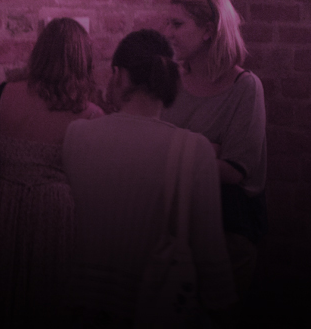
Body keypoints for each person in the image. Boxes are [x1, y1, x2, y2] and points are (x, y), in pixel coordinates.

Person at [64, 29, 236, 325]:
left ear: (119, 75)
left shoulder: (76, 135)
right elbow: (212, 261)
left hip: (84, 306)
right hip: (157, 307)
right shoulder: (194, 150)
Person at [0, 17, 104, 326]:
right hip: (58, 215)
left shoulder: (2, 95)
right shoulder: (91, 115)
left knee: (5, 298)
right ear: (83, 60)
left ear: (40, 52)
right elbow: (94, 186)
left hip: (6, 207)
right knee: (50, 301)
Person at [161, 0, 266, 299]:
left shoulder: (245, 87)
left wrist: (175, 147)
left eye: (177, 24)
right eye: (168, 23)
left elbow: (235, 170)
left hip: (226, 229)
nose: (168, 33)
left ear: (209, 30)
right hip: (172, 226)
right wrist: (207, 149)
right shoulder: (170, 80)